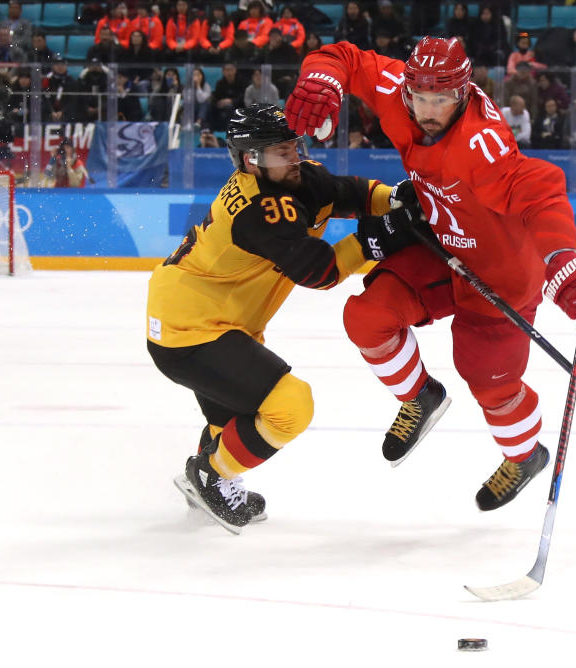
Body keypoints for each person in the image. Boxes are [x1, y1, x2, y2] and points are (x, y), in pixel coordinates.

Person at [284, 37, 576, 511]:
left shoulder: (484, 145)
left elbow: (540, 191)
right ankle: (420, 397)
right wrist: (321, 79)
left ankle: (524, 456)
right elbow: (345, 58)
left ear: (463, 92)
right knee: (368, 317)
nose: (427, 110)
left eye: (441, 100)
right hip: (442, 250)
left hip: (500, 276)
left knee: (490, 383)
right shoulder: (403, 92)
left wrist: (562, 260)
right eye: (420, 97)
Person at [145, 104, 417, 531]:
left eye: (293, 147)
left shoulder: (295, 176)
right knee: (290, 406)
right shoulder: (258, 210)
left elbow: (350, 192)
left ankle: (209, 475)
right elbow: (320, 271)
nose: (293, 158)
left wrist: (394, 198)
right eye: (279, 152)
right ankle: (212, 476)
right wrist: (372, 241)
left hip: (202, 320)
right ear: (249, 160)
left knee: (233, 421)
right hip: (191, 331)